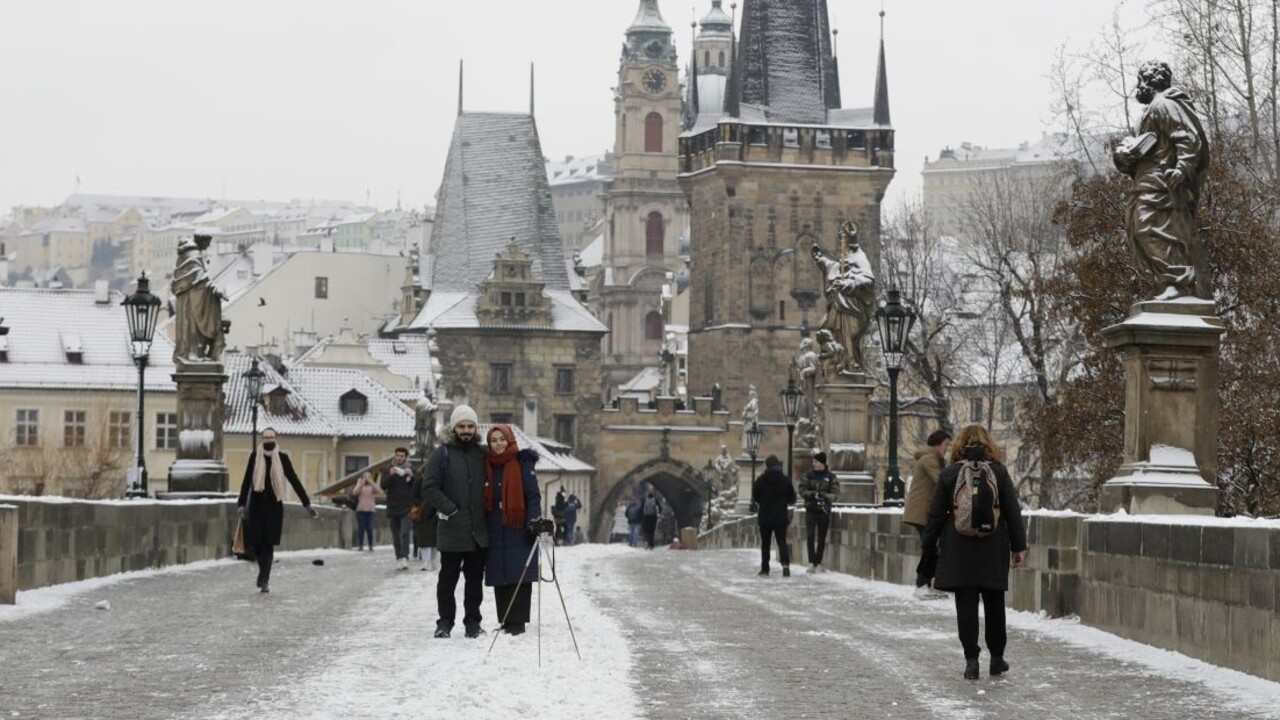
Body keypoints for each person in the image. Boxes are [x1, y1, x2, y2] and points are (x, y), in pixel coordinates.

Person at [919, 424, 1028, 680]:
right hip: (994, 548)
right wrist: (1018, 547)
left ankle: (971, 660)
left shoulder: (950, 474)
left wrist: (928, 548)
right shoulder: (999, 473)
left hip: (959, 550)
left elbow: (935, 515)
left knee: (965, 607)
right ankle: (997, 658)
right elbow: (1012, 512)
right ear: (989, 444)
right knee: (994, 605)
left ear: (958, 445)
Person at [1112, 60, 1211, 301]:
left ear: (1150, 81)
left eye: (1140, 81)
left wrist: (1182, 168)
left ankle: (1178, 283)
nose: (1138, 86)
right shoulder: (1148, 112)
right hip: (1145, 183)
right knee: (1138, 231)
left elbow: (1188, 139)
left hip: (1161, 184)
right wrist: (1125, 155)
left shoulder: (1163, 105)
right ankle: (1167, 281)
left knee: (1150, 230)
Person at [422, 406, 489, 639]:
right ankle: (445, 622)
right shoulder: (443, 454)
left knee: (474, 581)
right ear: (454, 428)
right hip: (452, 529)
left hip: (478, 531)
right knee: (447, 580)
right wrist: (449, 508)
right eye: (462, 426)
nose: (466, 431)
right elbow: (429, 486)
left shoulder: (482, 453)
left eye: (470, 426)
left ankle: (472, 622)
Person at [236, 428, 317, 593]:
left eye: (271, 437)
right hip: (257, 506)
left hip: (274, 505)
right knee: (257, 544)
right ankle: (262, 572)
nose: (268, 440)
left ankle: (264, 579)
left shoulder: (283, 458)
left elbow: (294, 480)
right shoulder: (255, 456)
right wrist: (241, 503)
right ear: (262, 439)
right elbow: (246, 481)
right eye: (265, 437)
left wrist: (306, 503)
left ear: (276, 438)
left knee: (269, 543)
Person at [482, 424, 543, 635]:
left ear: (509, 440)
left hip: (518, 524)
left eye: (502, 439)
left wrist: (532, 523)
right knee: (499, 571)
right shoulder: (487, 464)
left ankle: (518, 621)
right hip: (494, 524)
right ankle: (505, 619)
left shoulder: (522, 462)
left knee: (520, 572)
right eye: (494, 440)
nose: (498, 444)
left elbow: (533, 496)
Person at [810, 221, 876, 375]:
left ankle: (850, 361)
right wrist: (818, 257)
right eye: (841, 239)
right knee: (824, 330)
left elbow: (868, 280)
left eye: (844, 239)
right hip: (837, 309)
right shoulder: (839, 263)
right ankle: (838, 361)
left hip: (851, 310)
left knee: (846, 333)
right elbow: (828, 265)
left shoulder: (859, 258)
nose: (842, 243)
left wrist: (847, 284)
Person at [903, 429, 953, 599]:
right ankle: (922, 585)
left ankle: (926, 584)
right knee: (930, 548)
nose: (947, 448)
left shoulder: (934, 458)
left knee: (931, 548)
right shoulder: (930, 458)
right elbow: (942, 482)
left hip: (924, 512)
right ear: (938, 444)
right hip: (922, 512)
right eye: (946, 444)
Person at [751, 455, 797, 577]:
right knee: (782, 541)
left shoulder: (761, 480)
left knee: (765, 543)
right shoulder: (785, 480)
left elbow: (755, 497)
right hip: (780, 517)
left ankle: (765, 569)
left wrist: (763, 502)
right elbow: (792, 499)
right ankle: (786, 565)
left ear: (767, 466)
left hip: (765, 517)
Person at [798, 451, 839, 574]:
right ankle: (812, 562)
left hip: (824, 510)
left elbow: (835, 493)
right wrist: (813, 495)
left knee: (822, 537)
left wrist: (825, 497)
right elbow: (802, 490)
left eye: (816, 462)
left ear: (822, 463)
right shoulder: (808, 475)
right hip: (811, 509)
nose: (813, 464)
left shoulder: (831, 477)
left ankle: (818, 562)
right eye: (813, 462)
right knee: (810, 536)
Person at [381, 447, 415, 571]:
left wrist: (411, 476)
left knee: (405, 533)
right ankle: (399, 557)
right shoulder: (388, 469)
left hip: (406, 507)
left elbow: (417, 486)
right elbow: (383, 486)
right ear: (395, 456)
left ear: (406, 457)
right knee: (396, 535)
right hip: (393, 507)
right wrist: (391, 475)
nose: (399, 458)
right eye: (398, 455)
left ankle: (405, 557)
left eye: (402, 456)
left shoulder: (410, 469)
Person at [410, 466, 439, 572]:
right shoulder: (418, 482)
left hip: (435, 513)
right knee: (423, 539)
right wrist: (419, 505)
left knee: (434, 540)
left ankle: (433, 561)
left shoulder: (438, 482)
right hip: (422, 514)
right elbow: (413, 496)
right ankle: (426, 562)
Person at [349, 471, 380, 552]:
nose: (366, 478)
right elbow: (355, 492)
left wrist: (371, 482)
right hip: (361, 510)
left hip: (370, 510)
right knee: (361, 528)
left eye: (368, 476)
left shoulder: (372, 486)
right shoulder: (360, 485)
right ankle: (361, 545)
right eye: (365, 476)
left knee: (370, 528)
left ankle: (370, 545)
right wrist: (360, 483)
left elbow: (378, 491)